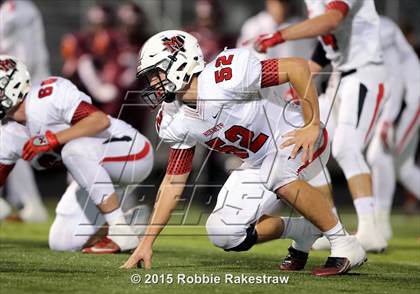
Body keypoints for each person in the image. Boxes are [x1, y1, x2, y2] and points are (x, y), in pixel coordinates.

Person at [120, 30, 367, 276]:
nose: (153, 83)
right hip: (257, 161)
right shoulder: (174, 117)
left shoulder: (225, 75)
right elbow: (173, 181)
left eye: (156, 73)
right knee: (223, 232)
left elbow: (297, 68)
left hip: (295, 136)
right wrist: (147, 242)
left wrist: (311, 124)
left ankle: (344, 244)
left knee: (277, 171)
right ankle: (304, 230)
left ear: (181, 61)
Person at [253, 0, 389, 252]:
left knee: (347, 147)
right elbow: (328, 42)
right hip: (339, 76)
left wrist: (279, 36)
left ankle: (371, 229)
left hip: (364, 73)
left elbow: (331, 21)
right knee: (308, 144)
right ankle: (329, 225)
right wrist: (304, 80)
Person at [0, 55, 154, 253]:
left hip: (130, 151)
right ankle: (130, 223)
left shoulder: (47, 95)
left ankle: (119, 230)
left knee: (72, 150)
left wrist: (54, 138)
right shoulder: (6, 134)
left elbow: (99, 121)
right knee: (62, 242)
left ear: (12, 84)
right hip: (95, 175)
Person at [366, 16, 420, 240]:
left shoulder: (379, 27)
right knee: (405, 169)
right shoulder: (368, 25)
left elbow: (395, 78)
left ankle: (380, 225)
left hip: (411, 100)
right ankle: (378, 225)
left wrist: (387, 118)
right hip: (404, 101)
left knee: (379, 155)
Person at [0, 0, 50, 222]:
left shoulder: (16, 8)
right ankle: (28, 204)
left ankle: (29, 203)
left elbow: (25, 54)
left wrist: (13, 85)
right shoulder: (14, 8)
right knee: (10, 142)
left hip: (22, 86)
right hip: (19, 84)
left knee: (10, 141)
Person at [238, 0, 315, 60]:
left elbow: (310, 58)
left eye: (284, 2)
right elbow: (242, 58)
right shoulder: (253, 26)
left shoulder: (300, 26)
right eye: (276, 2)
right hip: (263, 78)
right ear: (268, 3)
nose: (280, 7)